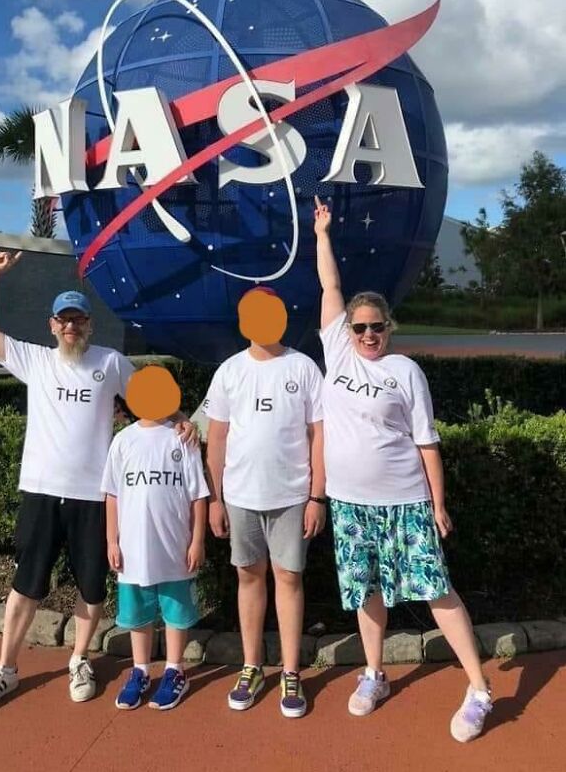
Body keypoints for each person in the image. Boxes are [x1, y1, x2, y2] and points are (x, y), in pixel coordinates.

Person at [0, 251, 197, 716]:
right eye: (63, 320)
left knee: (91, 588)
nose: (71, 326)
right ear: (52, 325)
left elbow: (147, 398)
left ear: (90, 325)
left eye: (79, 320)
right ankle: (6, 668)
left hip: (92, 497)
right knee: (27, 584)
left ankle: (79, 660)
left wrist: (181, 419)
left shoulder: (110, 362)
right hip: (41, 491)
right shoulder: (34, 361)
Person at [313, 196, 492, 743]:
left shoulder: (405, 371)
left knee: (437, 591)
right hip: (349, 505)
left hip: (406, 503)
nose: (369, 335)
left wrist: (437, 503)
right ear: (348, 330)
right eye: (361, 327)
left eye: (378, 327)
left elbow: (426, 442)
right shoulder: (337, 354)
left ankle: (480, 689)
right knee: (366, 594)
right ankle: (374, 675)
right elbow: (331, 288)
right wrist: (322, 234)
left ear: (389, 328)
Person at [204, 287, 325, 719]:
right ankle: (252, 666)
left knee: (289, 580)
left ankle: (291, 672)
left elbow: (319, 437)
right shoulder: (230, 372)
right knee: (248, 578)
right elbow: (215, 439)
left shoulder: (303, 367)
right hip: (240, 498)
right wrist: (215, 499)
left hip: (293, 497)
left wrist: (316, 497)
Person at [101, 365, 210, 711]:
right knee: (138, 615)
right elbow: (112, 495)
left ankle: (175, 670)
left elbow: (198, 496)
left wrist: (197, 541)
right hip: (133, 551)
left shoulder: (182, 439)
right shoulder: (123, 441)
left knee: (176, 613)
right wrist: (111, 541)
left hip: (174, 548)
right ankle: (140, 670)